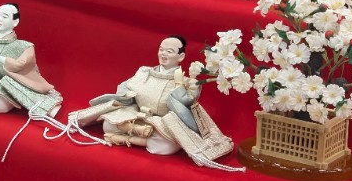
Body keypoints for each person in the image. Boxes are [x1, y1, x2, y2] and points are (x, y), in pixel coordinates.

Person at [67, 36, 237, 168]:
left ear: (181, 56)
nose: (163, 54)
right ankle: (132, 132)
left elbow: (186, 105)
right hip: (135, 115)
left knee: (167, 146)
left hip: (161, 122)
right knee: (108, 124)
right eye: (161, 50)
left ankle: (125, 138)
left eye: (169, 51)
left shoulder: (188, 82)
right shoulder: (144, 72)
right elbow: (125, 87)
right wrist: (124, 97)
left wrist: (180, 85)